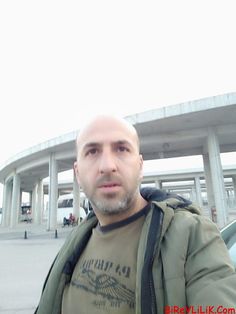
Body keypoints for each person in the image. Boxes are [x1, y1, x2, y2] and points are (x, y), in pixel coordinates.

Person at [35, 115, 236, 314]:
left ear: (140, 167)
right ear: (78, 173)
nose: (107, 166)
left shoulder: (193, 236)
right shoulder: (77, 239)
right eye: (92, 151)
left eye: (121, 149)